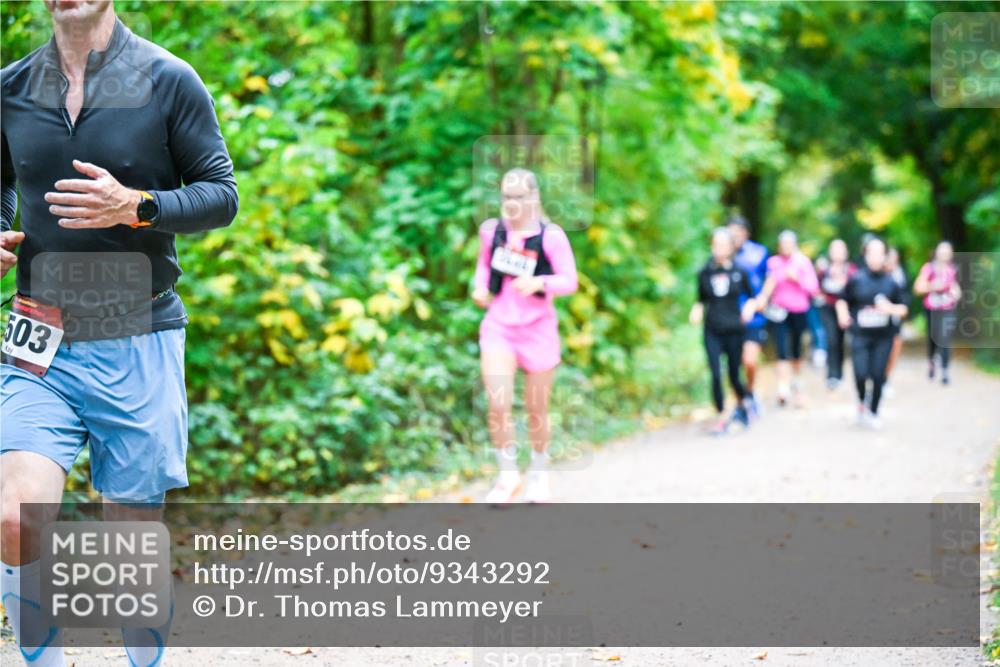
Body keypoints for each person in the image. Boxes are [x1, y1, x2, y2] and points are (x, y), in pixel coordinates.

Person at [1, 2, 238, 666]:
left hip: (139, 332)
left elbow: (221, 194)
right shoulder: (10, 87)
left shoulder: (168, 80)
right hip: (37, 334)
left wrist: (138, 206)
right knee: (15, 517)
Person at [472, 168, 577, 504]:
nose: (511, 203)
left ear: (533, 198)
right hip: (500, 326)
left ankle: (539, 475)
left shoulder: (551, 236)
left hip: (538, 329)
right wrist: (479, 287)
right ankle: (507, 477)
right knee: (498, 403)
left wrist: (541, 282)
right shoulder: (492, 232)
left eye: (518, 197)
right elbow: (484, 267)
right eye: (506, 196)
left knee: (536, 409)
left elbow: (569, 280)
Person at [835, 238, 909, 430]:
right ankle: (861, 402)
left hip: (884, 336)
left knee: (877, 375)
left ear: (885, 256)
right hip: (860, 334)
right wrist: (843, 315)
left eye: (879, 253)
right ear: (865, 255)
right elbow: (842, 300)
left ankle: (874, 411)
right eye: (871, 253)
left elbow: (903, 309)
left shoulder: (892, 281)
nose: (875, 257)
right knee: (860, 374)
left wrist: (889, 308)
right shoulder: (856, 278)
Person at [689, 228, 753, 435]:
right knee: (716, 373)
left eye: (723, 245)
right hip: (712, 330)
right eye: (715, 245)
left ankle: (744, 405)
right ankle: (722, 416)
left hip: (734, 329)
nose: (719, 249)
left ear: (731, 247)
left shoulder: (739, 271)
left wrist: (749, 308)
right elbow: (700, 300)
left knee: (735, 375)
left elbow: (752, 296)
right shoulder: (705, 272)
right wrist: (696, 311)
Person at [747, 230, 819, 408]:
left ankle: (797, 385)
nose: (786, 247)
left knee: (796, 350)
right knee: (781, 349)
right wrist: (763, 299)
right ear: (779, 246)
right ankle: (782, 388)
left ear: (795, 245)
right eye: (783, 244)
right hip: (779, 312)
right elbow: (768, 284)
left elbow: (813, 288)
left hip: (799, 311)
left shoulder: (803, 262)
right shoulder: (773, 263)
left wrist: (797, 279)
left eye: (789, 244)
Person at [727, 214, 767, 418]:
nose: (735, 237)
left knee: (749, 360)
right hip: (729, 317)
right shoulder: (723, 255)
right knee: (734, 363)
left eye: (738, 232)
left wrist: (762, 300)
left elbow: (770, 278)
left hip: (753, 316)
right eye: (731, 232)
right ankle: (741, 402)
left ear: (746, 233)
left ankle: (751, 392)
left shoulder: (759, 253)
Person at [914, 241, 961, 386]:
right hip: (931, 309)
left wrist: (955, 294)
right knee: (933, 338)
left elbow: (956, 289)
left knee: (945, 338)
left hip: (947, 309)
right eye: (942, 250)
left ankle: (945, 371)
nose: (945, 254)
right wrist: (933, 286)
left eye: (948, 251)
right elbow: (918, 288)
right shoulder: (929, 268)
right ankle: (932, 361)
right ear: (937, 252)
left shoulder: (952, 269)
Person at [816, 239, 856, 389]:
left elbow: (855, 290)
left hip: (846, 309)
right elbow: (818, 288)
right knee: (831, 340)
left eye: (840, 250)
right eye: (834, 250)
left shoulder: (851, 270)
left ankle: (840, 374)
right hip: (828, 309)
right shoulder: (824, 270)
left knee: (841, 341)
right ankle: (832, 375)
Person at [881, 246, 910, 397]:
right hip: (879, 320)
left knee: (894, 348)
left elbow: (905, 297)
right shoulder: (877, 276)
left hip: (896, 318)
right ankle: (879, 379)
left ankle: (886, 380)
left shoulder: (900, 275)